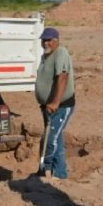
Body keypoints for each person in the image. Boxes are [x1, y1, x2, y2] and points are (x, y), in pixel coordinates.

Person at [34, 27, 75, 181]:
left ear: (57, 41)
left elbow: (62, 77)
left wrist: (56, 102)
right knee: (56, 139)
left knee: (51, 139)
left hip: (61, 106)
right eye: (44, 40)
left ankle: (47, 171)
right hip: (48, 107)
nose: (46, 43)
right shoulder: (45, 56)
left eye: (49, 40)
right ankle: (60, 174)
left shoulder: (61, 53)